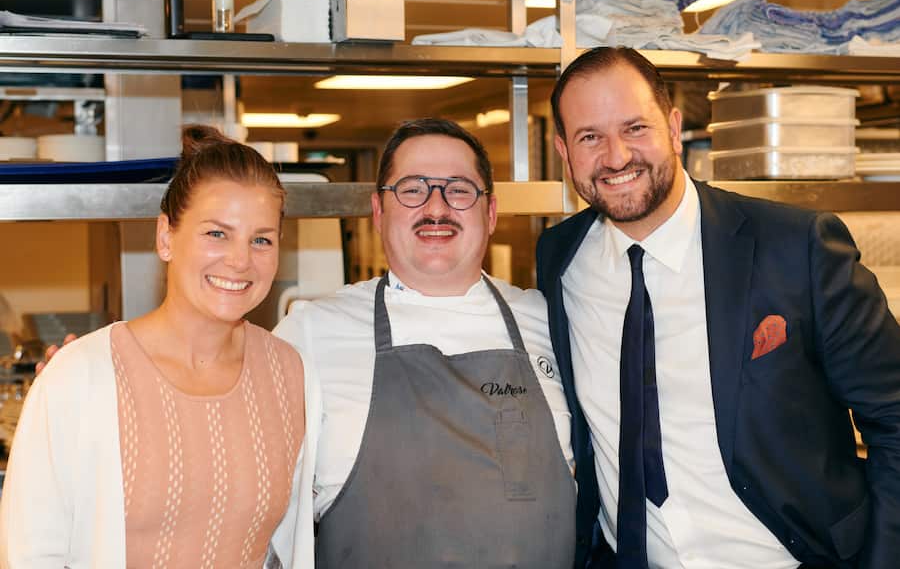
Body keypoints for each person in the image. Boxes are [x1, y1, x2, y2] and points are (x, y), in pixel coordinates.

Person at [537, 45, 900, 569]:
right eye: (590, 137)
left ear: (674, 126)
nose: (615, 157)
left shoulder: (794, 247)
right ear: (564, 151)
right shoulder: (559, 258)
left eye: (635, 128)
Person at [0, 126, 320, 568]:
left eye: (261, 239)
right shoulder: (79, 375)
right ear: (166, 237)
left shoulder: (290, 374)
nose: (241, 260)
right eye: (216, 233)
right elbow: (32, 555)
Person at [273, 117, 577, 568]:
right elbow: (261, 516)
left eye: (459, 188)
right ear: (378, 211)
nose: (436, 207)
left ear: (490, 213)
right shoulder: (311, 333)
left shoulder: (550, 322)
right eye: (413, 189)